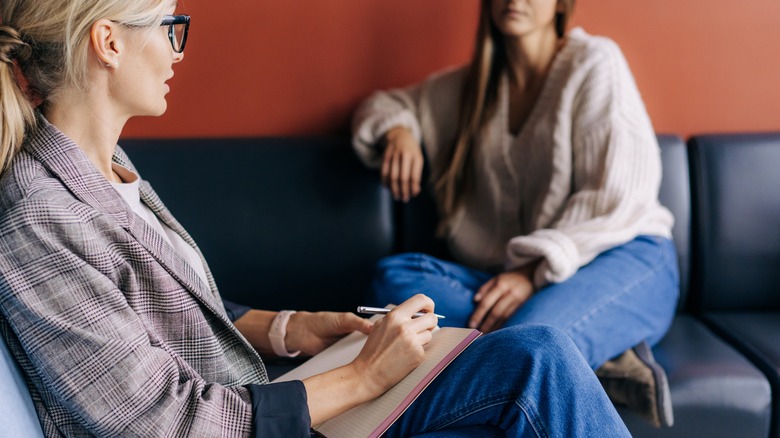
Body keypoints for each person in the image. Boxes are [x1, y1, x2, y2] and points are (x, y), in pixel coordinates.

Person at [0, 0, 632, 436]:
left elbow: (172, 318)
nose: (178, 49)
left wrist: (293, 329)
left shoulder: (107, 170)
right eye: (172, 26)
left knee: (534, 356)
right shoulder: (39, 218)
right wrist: (361, 378)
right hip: (252, 421)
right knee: (536, 371)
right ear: (108, 42)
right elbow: (168, 424)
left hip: (264, 398)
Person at [352, 0, 679, 428]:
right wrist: (399, 131)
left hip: (624, 256)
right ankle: (600, 360)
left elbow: (619, 196)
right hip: (516, 280)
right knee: (394, 282)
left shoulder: (594, 63)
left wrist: (532, 274)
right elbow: (382, 105)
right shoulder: (471, 89)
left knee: (530, 351)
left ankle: (566, 343)